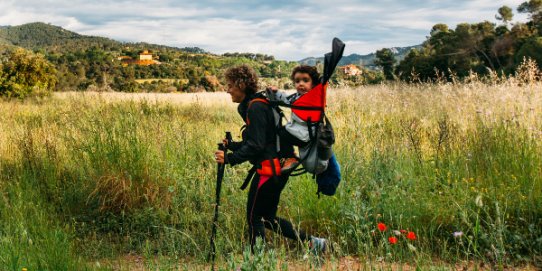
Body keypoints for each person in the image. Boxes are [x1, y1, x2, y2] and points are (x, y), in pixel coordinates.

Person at [214, 64, 326, 254]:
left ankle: (257, 260)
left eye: (230, 85)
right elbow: (262, 141)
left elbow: (256, 145)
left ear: (241, 84)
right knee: (267, 218)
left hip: (270, 169)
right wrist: (232, 146)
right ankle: (315, 243)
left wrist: (230, 159)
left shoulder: (255, 107)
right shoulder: (258, 102)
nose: (228, 90)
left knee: (254, 217)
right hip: (278, 167)